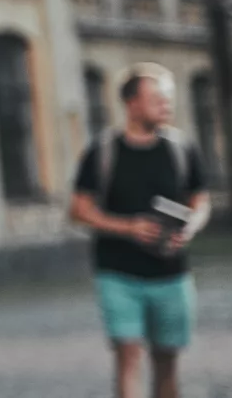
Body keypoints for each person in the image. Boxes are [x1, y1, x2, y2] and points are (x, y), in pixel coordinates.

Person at [68, 63, 210, 398]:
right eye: (158, 98)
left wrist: (191, 226)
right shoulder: (103, 152)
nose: (167, 106)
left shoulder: (181, 149)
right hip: (118, 273)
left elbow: (201, 201)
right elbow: (79, 210)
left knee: (167, 358)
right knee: (128, 353)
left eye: (169, 99)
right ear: (132, 103)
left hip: (172, 273)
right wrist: (128, 227)